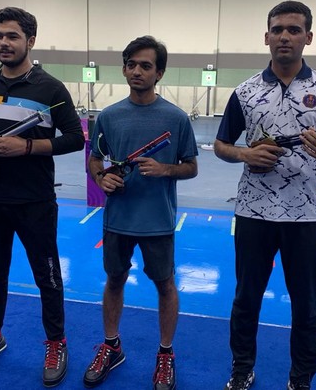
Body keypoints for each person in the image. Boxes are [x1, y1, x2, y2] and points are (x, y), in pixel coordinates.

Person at [214, 1, 316, 390]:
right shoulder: (244, 92)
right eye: (277, 30)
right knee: (246, 300)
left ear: (308, 37)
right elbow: (221, 144)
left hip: (309, 216)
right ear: (266, 37)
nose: (284, 37)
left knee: (307, 307)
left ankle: (301, 379)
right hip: (254, 212)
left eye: (294, 30)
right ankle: (242, 370)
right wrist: (245, 153)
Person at [0, 7, 85, 388]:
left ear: (30, 41)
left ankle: (57, 342)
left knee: (47, 276)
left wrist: (25, 147)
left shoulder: (51, 89)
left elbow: (75, 138)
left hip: (34, 201)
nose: (3, 43)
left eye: (12, 36)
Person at [84, 35, 198, 390]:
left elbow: (191, 167)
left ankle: (165, 354)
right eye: (131, 64)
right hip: (118, 219)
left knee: (165, 284)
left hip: (158, 222)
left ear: (159, 73)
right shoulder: (109, 116)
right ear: (124, 69)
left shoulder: (176, 119)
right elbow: (94, 160)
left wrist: (165, 170)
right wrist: (101, 178)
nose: (136, 71)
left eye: (145, 65)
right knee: (114, 280)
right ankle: (112, 345)